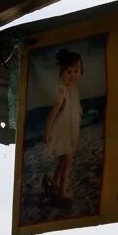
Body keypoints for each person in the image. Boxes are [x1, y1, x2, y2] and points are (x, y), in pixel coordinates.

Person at [42, 48, 84, 208]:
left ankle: (55, 183)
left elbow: (75, 109)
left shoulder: (74, 89)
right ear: (61, 72)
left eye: (76, 71)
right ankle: (62, 191)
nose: (72, 75)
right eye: (69, 71)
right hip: (63, 131)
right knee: (67, 160)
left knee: (63, 160)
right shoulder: (62, 90)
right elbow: (53, 112)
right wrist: (48, 131)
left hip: (71, 130)